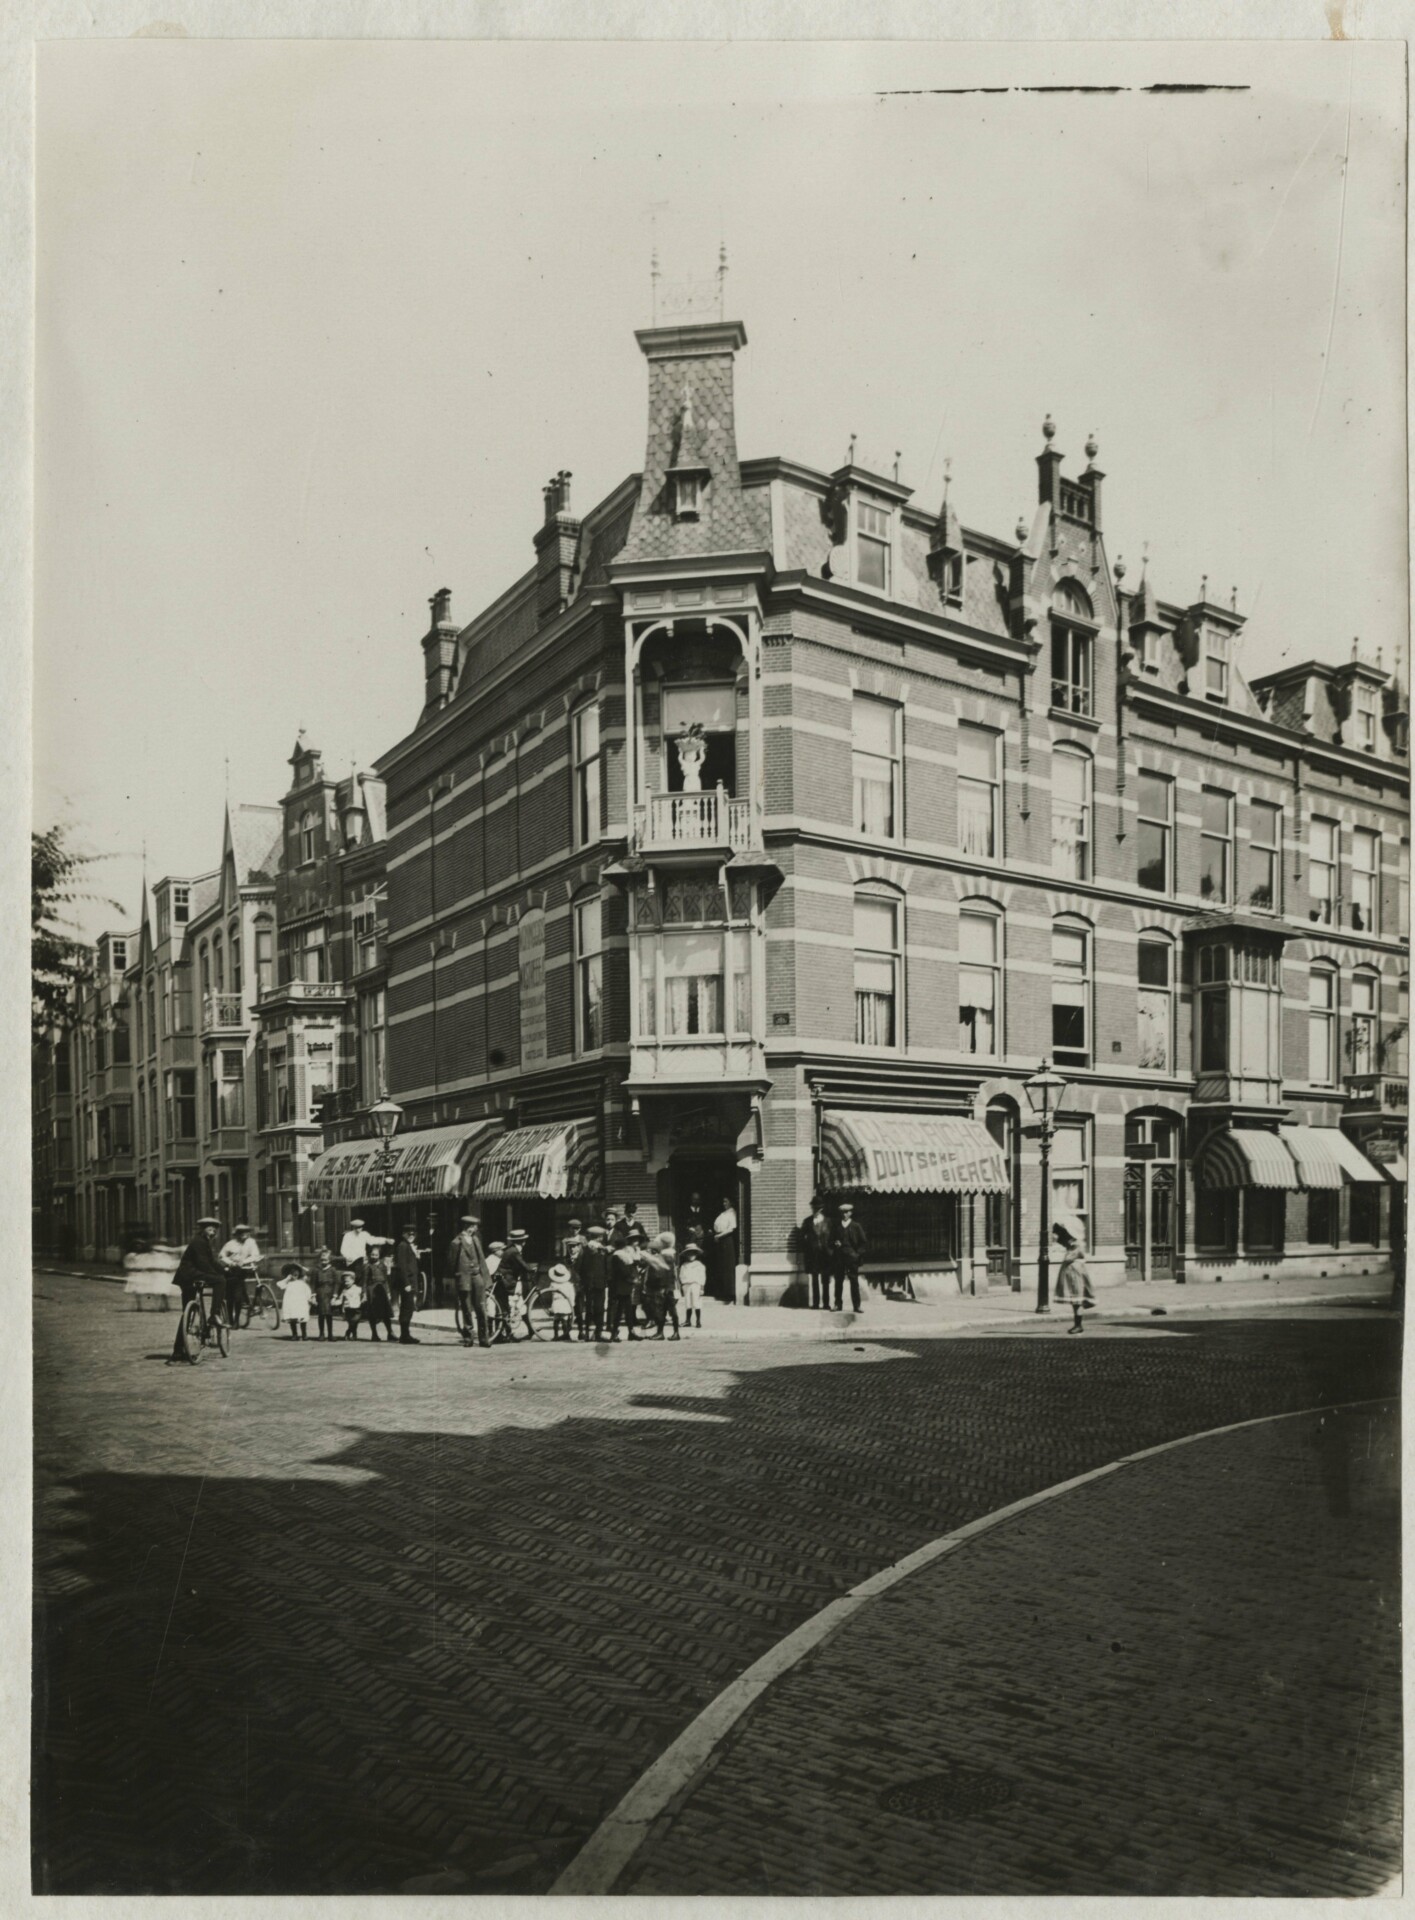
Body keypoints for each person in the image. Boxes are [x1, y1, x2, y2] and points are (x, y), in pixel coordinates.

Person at [168, 1215, 226, 1362]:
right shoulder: (199, 1242)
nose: (212, 1229)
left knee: (187, 1314)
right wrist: (219, 1275)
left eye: (214, 1227)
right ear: (203, 1229)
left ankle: (177, 1351)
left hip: (187, 1277)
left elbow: (211, 1261)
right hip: (192, 1276)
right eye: (209, 1227)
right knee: (220, 1282)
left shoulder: (203, 1241)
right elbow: (204, 1264)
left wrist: (225, 1270)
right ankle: (214, 1315)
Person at [452, 1215, 492, 1349]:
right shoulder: (456, 1242)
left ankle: (484, 1338)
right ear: (468, 1227)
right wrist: (456, 1278)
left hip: (477, 1277)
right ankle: (468, 1337)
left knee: (481, 1308)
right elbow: (451, 1263)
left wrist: (486, 1280)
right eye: (474, 1226)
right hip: (464, 1278)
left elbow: (482, 1259)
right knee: (467, 1309)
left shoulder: (476, 1240)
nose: (475, 1229)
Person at [1054, 1219, 1094, 1333]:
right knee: (1075, 1300)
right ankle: (1077, 1324)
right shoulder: (1072, 1244)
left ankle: (1078, 1325)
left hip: (1076, 1274)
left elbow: (1070, 1257)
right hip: (1072, 1273)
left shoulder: (1076, 1245)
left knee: (1077, 1299)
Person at [219, 1221, 263, 1322]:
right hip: (230, 1271)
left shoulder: (251, 1242)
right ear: (237, 1234)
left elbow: (255, 1254)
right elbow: (221, 1256)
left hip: (242, 1271)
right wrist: (230, 1263)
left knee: (238, 1297)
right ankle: (230, 1319)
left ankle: (237, 1319)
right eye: (241, 1232)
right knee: (230, 1297)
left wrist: (245, 1262)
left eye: (246, 1232)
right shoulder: (230, 1244)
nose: (244, 1235)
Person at [643, 1232, 681, 1340]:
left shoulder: (666, 1256)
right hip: (669, 1287)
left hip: (666, 1288)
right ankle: (665, 1332)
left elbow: (664, 1274)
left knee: (667, 1310)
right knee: (665, 1310)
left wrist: (662, 1286)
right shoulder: (669, 1255)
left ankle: (672, 1332)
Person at [831, 1202, 868, 1312]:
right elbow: (830, 1241)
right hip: (839, 1258)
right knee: (838, 1282)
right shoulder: (836, 1226)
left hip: (852, 1258)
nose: (844, 1214)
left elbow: (864, 1243)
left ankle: (857, 1306)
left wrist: (857, 1255)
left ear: (850, 1213)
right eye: (842, 1212)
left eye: (847, 1212)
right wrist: (835, 1243)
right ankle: (838, 1304)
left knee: (854, 1281)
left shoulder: (856, 1226)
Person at [575, 1225, 610, 1340]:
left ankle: (591, 1332)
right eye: (599, 1237)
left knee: (593, 1308)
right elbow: (579, 1267)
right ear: (598, 1238)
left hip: (592, 1283)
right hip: (595, 1283)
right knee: (596, 1308)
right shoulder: (591, 1250)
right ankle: (595, 1332)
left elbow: (579, 1267)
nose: (600, 1239)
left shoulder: (589, 1249)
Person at [800, 1201, 834, 1311]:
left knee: (825, 1280)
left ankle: (826, 1304)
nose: (815, 1210)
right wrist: (808, 1247)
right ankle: (815, 1304)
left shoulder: (828, 1222)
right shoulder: (807, 1221)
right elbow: (801, 1238)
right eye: (813, 1208)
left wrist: (831, 1250)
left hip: (825, 1255)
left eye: (817, 1209)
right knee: (814, 1279)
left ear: (821, 1209)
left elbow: (834, 1236)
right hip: (813, 1255)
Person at [608, 1233, 642, 1342]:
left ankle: (629, 1332)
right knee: (620, 1311)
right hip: (620, 1287)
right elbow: (623, 1272)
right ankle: (615, 1333)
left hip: (623, 1286)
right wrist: (632, 1276)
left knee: (627, 1310)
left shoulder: (619, 1256)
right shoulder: (618, 1256)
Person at [393, 1224, 421, 1344]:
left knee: (408, 1308)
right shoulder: (403, 1246)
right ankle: (404, 1335)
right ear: (403, 1234)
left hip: (411, 1281)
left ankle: (405, 1334)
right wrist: (406, 1283)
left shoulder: (408, 1246)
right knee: (407, 1308)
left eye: (413, 1234)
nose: (411, 1236)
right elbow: (402, 1266)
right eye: (408, 1233)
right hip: (407, 1283)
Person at [711, 1195, 739, 1304]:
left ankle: (729, 1294)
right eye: (723, 1201)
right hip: (721, 1239)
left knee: (727, 1266)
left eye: (726, 1201)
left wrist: (719, 1236)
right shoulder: (724, 1213)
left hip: (726, 1240)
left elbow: (731, 1228)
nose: (724, 1203)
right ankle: (723, 1292)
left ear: (731, 1202)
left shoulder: (732, 1212)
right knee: (722, 1266)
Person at [339, 1217, 385, 1282]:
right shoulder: (348, 1236)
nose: (359, 1229)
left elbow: (372, 1240)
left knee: (363, 1278)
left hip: (362, 1261)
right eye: (357, 1228)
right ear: (353, 1227)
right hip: (352, 1262)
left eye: (360, 1227)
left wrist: (385, 1240)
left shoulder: (364, 1234)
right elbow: (343, 1249)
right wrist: (348, 1257)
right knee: (353, 1279)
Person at [365, 1251, 396, 1343]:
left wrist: (388, 1291)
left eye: (376, 1255)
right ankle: (374, 1334)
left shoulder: (383, 1266)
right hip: (372, 1290)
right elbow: (364, 1281)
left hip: (382, 1290)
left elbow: (386, 1279)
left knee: (386, 1312)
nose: (374, 1256)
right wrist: (364, 1293)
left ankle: (390, 1333)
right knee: (373, 1313)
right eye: (372, 1254)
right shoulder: (367, 1266)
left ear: (379, 1256)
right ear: (370, 1255)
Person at [677, 1241, 706, 1330]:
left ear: (696, 1254)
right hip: (686, 1285)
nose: (691, 1256)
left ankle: (698, 1321)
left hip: (695, 1285)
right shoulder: (684, 1265)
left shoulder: (699, 1265)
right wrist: (683, 1285)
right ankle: (688, 1321)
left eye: (693, 1254)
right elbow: (681, 1275)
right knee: (688, 1303)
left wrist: (701, 1288)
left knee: (696, 1303)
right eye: (689, 1254)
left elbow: (702, 1277)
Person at [280, 1263, 312, 1341]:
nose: (294, 1276)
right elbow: (280, 1285)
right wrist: (287, 1279)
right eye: (292, 1274)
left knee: (302, 1318)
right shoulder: (288, 1283)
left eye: (296, 1274)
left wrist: (309, 1299)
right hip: (291, 1304)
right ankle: (294, 1334)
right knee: (292, 1319)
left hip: (300, 1303)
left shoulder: (302, 1283)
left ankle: (304, 1334)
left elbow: (307, 1291)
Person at [312, 1251, 339, 1341]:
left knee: (329, 1315)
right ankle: (321, 1334)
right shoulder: (316, 1270)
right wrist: (313, 1295)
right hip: (320, 1294)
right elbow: (313, 1284)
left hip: (330, 1294)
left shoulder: (333, 1270)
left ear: (329, 1260)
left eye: (326, 1260)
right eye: (322, 1260)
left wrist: (335, 1295)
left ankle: (330, 1334)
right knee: (321, 1314)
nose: (324, 1261)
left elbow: (336, 1283)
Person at [546, 1261, 576, 1341]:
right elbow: (572, 1295)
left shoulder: (553, 1284)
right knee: (565, 1319)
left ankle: (556, 1335)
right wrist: (572, 1304)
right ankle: (566, 1334)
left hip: (556, 1303)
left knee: (556, 1319)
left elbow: (550, 1294)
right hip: (565, 1303)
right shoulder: (569, 1285)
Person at [337, 1270, 364, 1339]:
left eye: (348, 1281)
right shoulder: (344, 1290)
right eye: (345, 1281)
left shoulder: (358, 1289)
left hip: (357, 1308)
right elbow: (340, 1299)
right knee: (351, 1322)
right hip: (348, 1308)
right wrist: (336, 1303)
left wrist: (363, 1300)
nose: (346, 1283)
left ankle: (348, 1332)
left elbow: (363, 1296)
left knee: (355, 1321)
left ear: (353, 1281)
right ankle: (354, 1334)